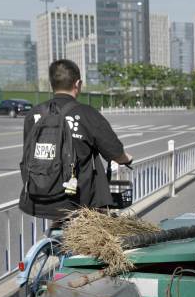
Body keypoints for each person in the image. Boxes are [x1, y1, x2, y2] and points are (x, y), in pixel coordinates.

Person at [19, 59, 132, 220]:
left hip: (37, 199)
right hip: (77, 200)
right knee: (92, 241)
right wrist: (126, 158)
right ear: (78, 84)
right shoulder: (86, 114)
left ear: (52, 84)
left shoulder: (34, 114)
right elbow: (114, 151)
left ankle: (49, 243)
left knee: (57, 239)